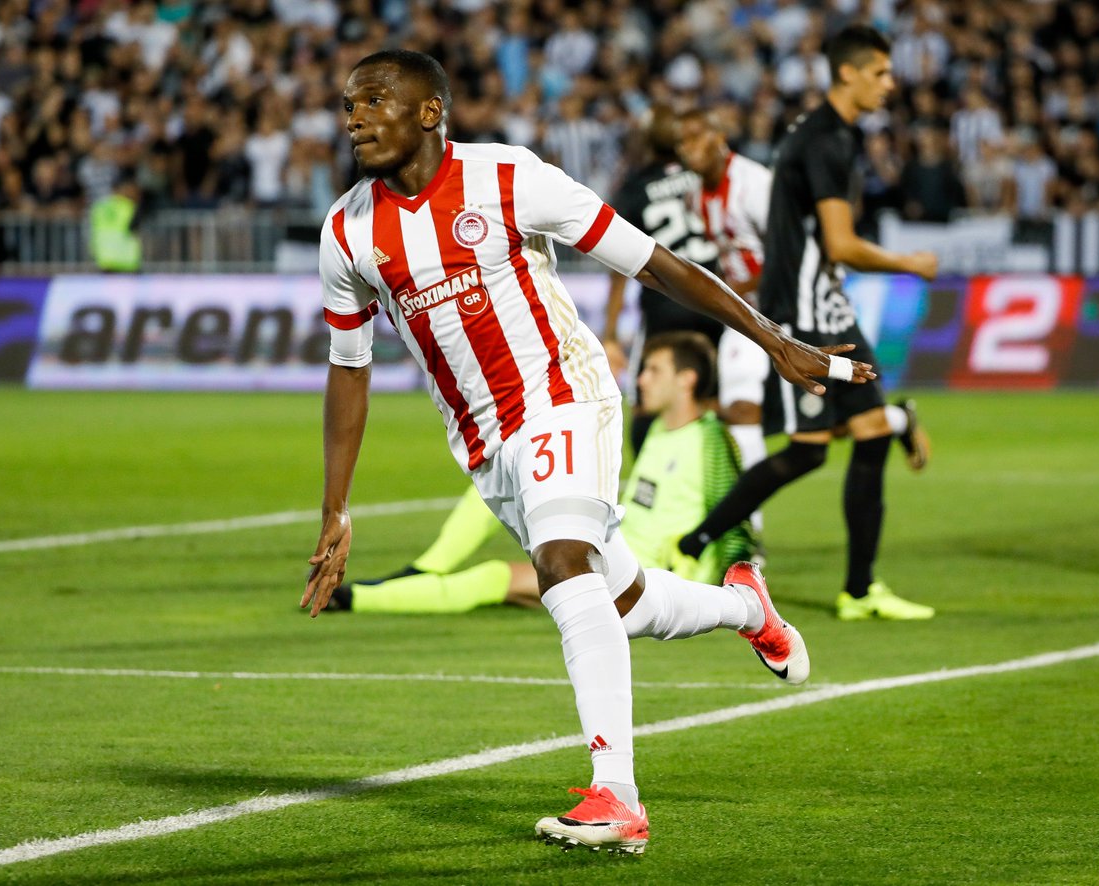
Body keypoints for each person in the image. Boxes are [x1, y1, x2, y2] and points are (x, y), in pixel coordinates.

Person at [300, 50, 875, 854]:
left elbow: (654, 263)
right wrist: (336, 508)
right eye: (348, 106)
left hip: (565, 395)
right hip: (484, 442)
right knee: (623, 603)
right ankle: (748, 607)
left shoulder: (508, 178)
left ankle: (617, 796)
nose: (355, 119)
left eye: (373, 101)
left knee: (561, 563)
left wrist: (773, 340)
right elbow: (348, 370)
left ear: (430, 111)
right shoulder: (346, 231)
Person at [676, 25, 938, 623]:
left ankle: (860, 590)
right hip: (804, 314)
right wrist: (910, 263)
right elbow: (841, 244)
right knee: (807, 452)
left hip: (824, 302)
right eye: (880, 72)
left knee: (870, 431)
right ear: (848, 72)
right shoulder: (825, 141)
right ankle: (693, 543)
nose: (890, 84)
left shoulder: (825, 135)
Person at [324, 332, 758, 613]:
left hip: (640, 578)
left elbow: (735, 515)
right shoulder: (656, 430)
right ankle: (422, 569)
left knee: (495, 577)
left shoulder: (712, 440)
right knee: (503, 485)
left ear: (687, 380)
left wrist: (701, 583)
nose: (641, 379)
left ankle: (361, 597)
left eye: (653, 370)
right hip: (610, 551)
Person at [675, 107, 774, 547]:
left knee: (825, 428)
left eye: (696, 137)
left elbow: (789, 253)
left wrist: (732, 290)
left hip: (786, 309)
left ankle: (894, 419)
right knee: (741, 412)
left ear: (720, 137)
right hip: (746, 317)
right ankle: (750, 536)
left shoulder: (756, 185)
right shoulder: (696, 196)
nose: (687, 148)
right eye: (681, 142)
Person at [600, 103, 722, 456]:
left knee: (645, 403)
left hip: (667, 305)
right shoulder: (705, 174)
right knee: (710, 401)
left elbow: (618, 269)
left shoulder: (636, 188)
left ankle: (650, 476)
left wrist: (610, 333)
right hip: (718, 303)